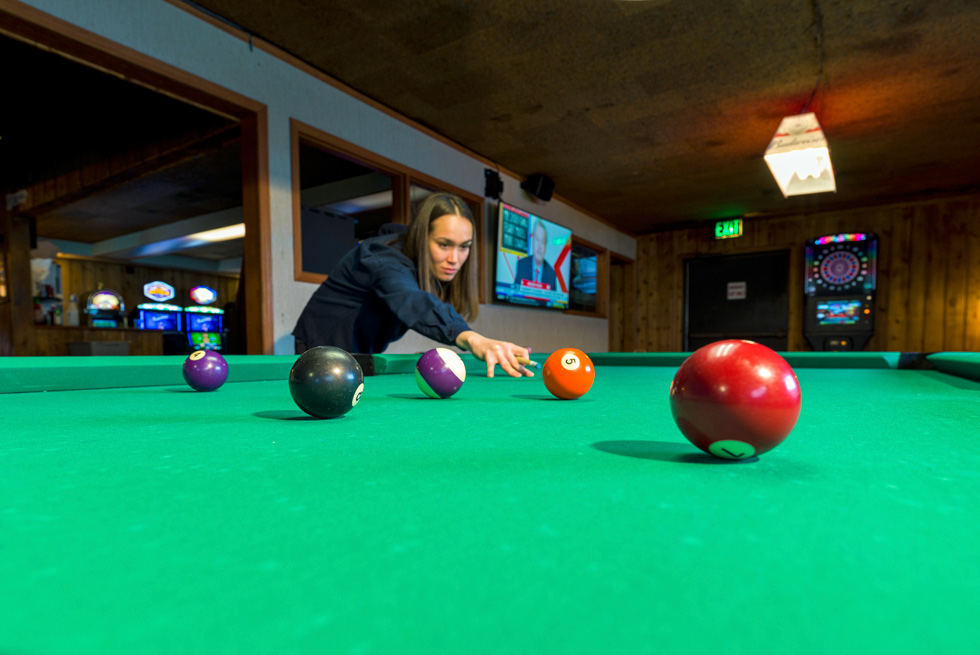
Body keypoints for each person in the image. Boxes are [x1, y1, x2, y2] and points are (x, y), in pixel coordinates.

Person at [292, 191, 533, 378]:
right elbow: (414, 302)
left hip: (359, 351)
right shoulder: (384, 259)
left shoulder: (421, 261)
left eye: (464, 246)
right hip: (320, 344)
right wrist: (472, 339)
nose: (455, 258)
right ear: (421, 235)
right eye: (444, 244)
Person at [514, 219, 557, 289]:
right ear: (532, 242)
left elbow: (552, 299)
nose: (539, 246)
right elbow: (514, 293)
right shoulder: (521, 265)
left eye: (543, 242)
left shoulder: (551, 274)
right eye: (537, 239)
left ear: (545, 246)